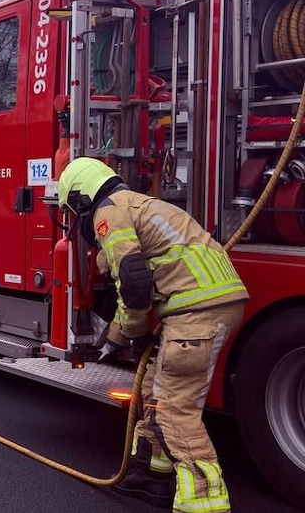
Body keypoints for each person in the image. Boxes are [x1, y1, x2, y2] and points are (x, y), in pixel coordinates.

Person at [56, 157, 248, 513]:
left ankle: (204, 501)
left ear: (82, 200)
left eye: (72, 213)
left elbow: (133, 282)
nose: (75, 222)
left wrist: (121, 336)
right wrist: (140, 335)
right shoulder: (141, 205)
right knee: (153, 390)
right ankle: (151, 472)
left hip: (196, 313)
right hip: (205, 306)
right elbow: (141, 277)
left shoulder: (108, 214)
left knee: (177, 408)